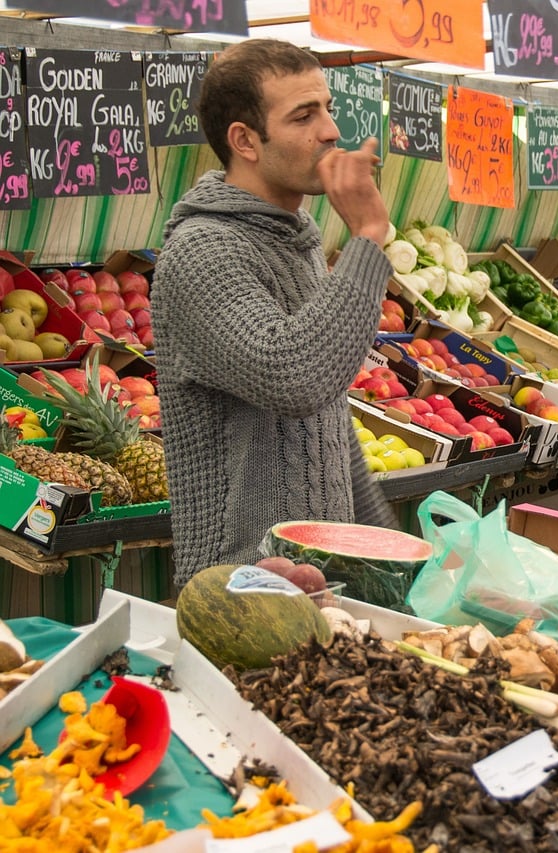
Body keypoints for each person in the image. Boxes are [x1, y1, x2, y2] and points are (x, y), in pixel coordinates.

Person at [152, 39, 396, 587]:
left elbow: (323, 418)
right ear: (245, 140)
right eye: (304, 116)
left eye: (327, 108)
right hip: (242, 583)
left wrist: (382, 549)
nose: (331, 130)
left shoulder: (298, 240)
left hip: (319, 575)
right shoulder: (203, 250)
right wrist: (368, 237)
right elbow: (296, 377)